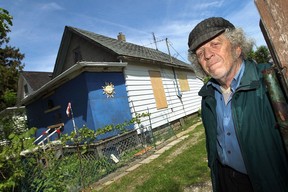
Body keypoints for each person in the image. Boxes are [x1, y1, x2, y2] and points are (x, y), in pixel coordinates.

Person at [187, 17, 288, 192]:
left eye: (215, 44)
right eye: (200, 53)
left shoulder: (271, 80)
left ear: (237, 47)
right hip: (226, 181)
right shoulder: (207, 95)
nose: (207, 55)